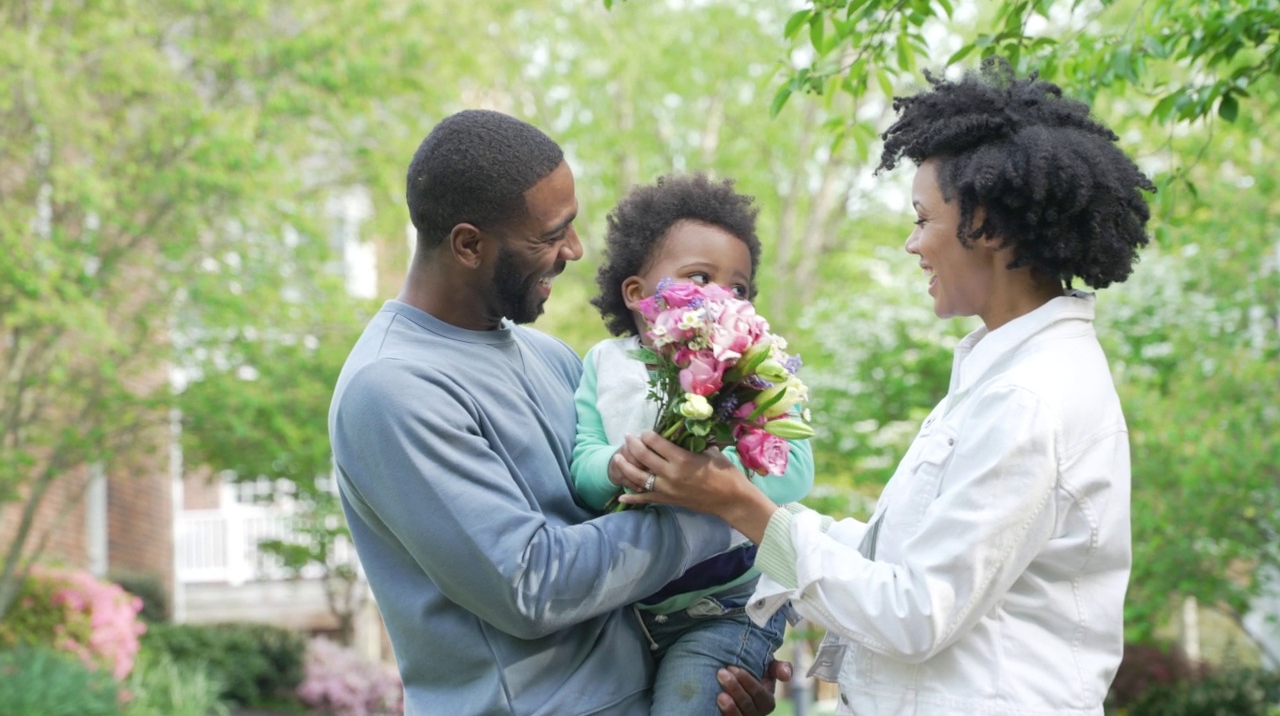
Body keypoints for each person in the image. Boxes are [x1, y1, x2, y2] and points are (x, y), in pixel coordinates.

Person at [616, 59, 1154, 715]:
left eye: (923, 218)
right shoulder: (1001, 374)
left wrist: (744, 509)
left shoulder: (1032, 397)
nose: (912, 243)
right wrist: (739, 507)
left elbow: (918, 613)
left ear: (985, 224)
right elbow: (893, 559)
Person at [328, 109, 788, 716]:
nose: (573, 249)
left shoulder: (550, 358)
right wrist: (730, 514)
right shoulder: (392, 388)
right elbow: (530, 584)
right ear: (469, 244)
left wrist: (716, 656)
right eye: (550, 235)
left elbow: (620, 530)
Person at [570, 173, 815, 715]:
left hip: (730, 604)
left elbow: (795, 470)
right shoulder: (604, 366)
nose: (722, 298)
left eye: (739, 288)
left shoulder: (759, 369)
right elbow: (581, 463)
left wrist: (713, 473)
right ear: (636, 293)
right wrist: (614, 466)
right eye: (699, 277)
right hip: (629, 610)